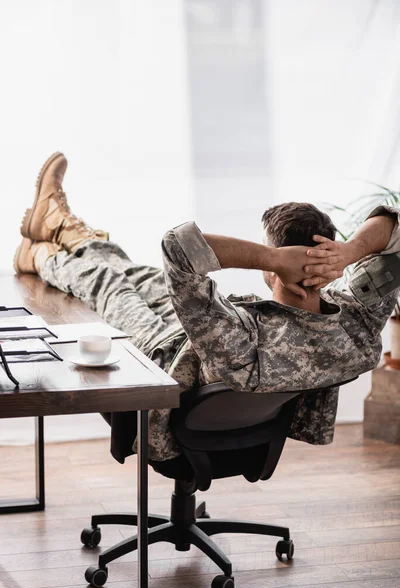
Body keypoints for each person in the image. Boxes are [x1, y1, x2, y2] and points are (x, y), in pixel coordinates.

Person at [14, 152, 400, 465]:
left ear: (280, 265)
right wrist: (349, 253)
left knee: (112, 286)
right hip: (208, 341)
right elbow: (394, 231)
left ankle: (41, 253)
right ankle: (62, 227)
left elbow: (178, 247)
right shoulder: (357, 332)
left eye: (271, 251)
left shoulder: (248, 341)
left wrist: (270, 256)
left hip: (164, 361)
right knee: (144, 276)